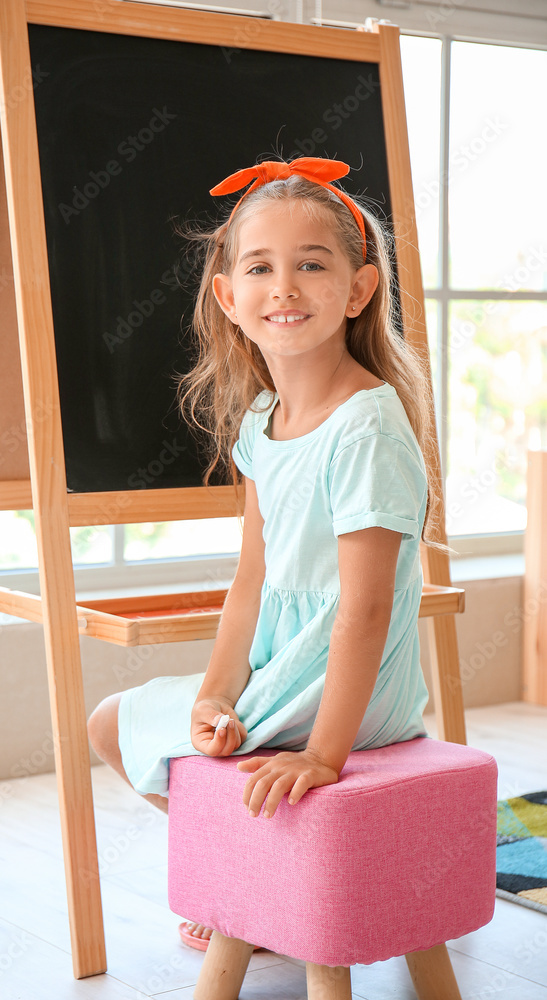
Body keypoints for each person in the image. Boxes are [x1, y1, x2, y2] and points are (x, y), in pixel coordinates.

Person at [87, 155, 443, 950]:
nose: (283, 287)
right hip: (285, 668)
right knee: (111, 724)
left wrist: (322, 756)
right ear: (229, 298)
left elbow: (364, 607)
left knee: (128, 726)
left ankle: (257, 892)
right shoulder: (261, 420)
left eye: (311, 265)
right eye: (260, 267)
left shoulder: (365, 427)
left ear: (357, 290)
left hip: (345, 688)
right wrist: (215, 695)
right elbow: (252, 580)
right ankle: (258, 879)